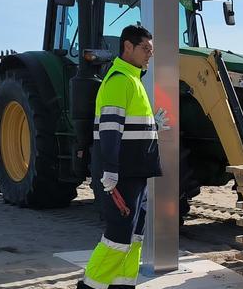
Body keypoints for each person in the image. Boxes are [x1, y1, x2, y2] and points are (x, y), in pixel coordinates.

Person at [79, 25, 162, 289]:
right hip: (122, 174)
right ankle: (89, 287)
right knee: (117, 237)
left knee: (134, 235)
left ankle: (123, 285)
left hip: (135, 172)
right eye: (146, 48)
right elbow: (110, 129)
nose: (150, 54)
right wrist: (111, 170)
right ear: (128, 46)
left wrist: (153, 125)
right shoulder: (119, 80)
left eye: (151, 49)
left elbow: (129, 127)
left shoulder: (133, 80)